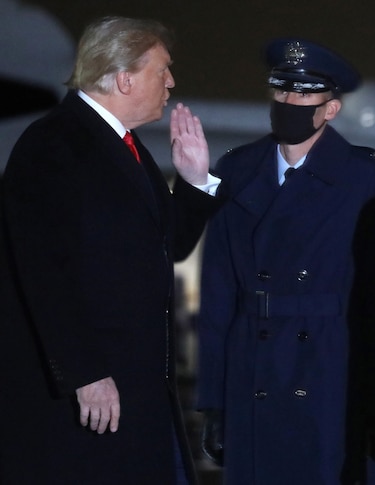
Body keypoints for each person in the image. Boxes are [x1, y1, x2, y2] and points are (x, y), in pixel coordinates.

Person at [0, 16, 224, 485]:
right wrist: (86, 374)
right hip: (89, 399)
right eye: (162, 70)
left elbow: (168, 248)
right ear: (124, 77)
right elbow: (42, 272)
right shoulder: (52, 144)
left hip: (134, 392)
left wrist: (195, 180)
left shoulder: (126, 146)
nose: (172, 82)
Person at [195, 37, 375, 485]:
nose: (289, 100)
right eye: (281, 88)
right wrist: (214, 401)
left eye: (304, 92)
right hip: (251, 364)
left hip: (329, 365)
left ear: (331, 109)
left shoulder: (366, 176)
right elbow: (218, 294)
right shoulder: (235, 171)